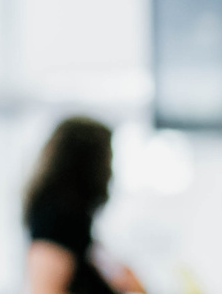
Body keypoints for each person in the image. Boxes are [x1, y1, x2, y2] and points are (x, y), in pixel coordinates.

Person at [23, 117, 144, 294]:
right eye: (107, 157)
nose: (110, 169)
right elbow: (46, 290)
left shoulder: (76, 218)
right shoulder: (55, 215)